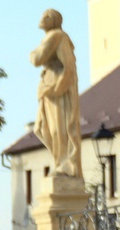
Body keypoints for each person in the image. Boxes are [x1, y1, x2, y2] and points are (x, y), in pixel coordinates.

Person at [30, 9, 82, 177]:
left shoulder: (57, 36)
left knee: (57, 128)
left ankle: (64, 164)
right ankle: (60, 162)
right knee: (43, 127)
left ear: (53, 20)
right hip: (49, 86)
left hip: (56, 88)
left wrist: (58, 88)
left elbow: (37, 59)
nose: (41, 19)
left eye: (45, 16)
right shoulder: (52, 37)